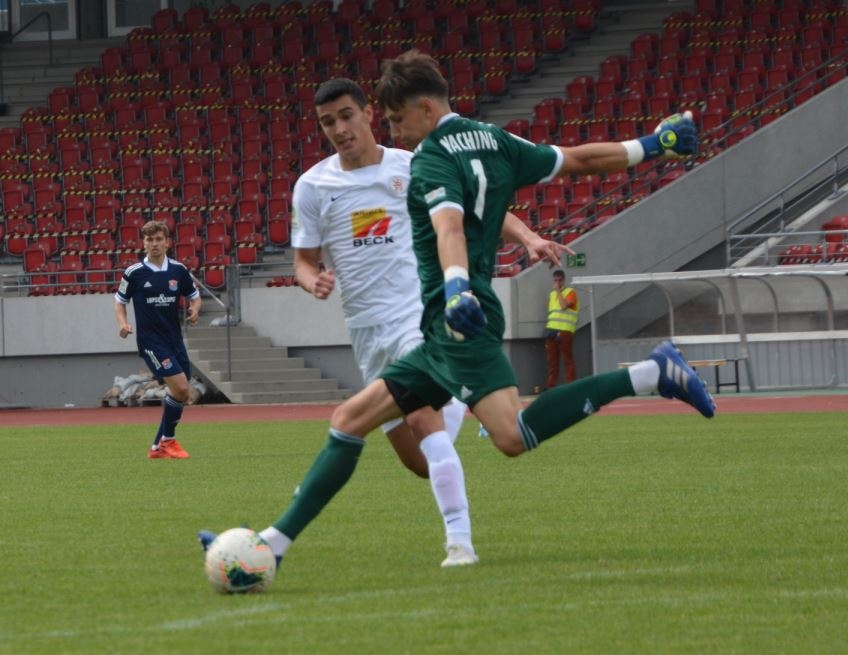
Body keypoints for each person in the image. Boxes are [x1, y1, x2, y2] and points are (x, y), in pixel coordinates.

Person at [200, 49, 714, 575]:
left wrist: (457, 290)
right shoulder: (495, 139)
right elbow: (579, 159)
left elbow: (448, 228)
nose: (395, 131)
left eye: (396, 119)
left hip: (454, 318)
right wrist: (653, 144)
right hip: (436, 323)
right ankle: (272, 545)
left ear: (423, 108)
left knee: (510, 435)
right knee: (350, 421)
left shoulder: (428, 160)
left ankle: (648, 374)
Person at [115, 220, 201, 459]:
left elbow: (195, 296)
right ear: (143, 243)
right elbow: (120, 302)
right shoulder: (134, 272)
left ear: (167, 242)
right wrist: (123, 323)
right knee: (181, 388)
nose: (154, 244)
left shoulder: (178, 270)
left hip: (174, 339)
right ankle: (168, 441)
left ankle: (157, 447)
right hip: (151, 342)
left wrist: (195, 309)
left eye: (158, 239)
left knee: (181, 392)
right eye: (149, 240)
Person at [544, 268, 579, 388]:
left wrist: (558, 291)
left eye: (559, 280)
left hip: (565, 330)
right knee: (552, 361)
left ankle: (571, 385)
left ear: (564, 280)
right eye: (555, 280)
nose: (557, 283)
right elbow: (551, 312)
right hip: (551, 330)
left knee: (567, 359)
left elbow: (563, 306)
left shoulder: (570, 292)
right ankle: (551, 386)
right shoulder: (552, 294)